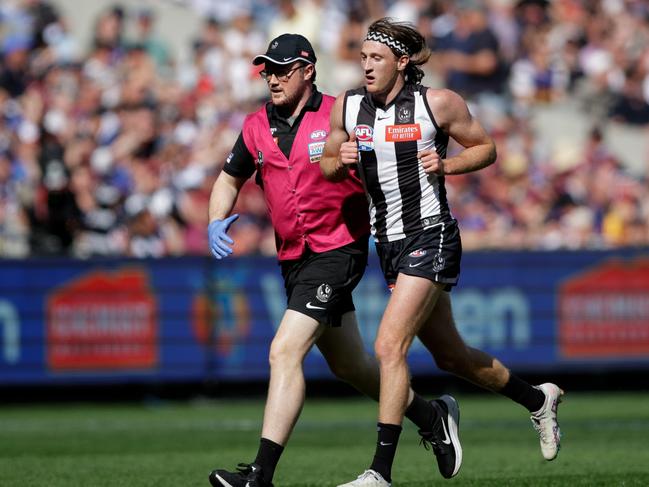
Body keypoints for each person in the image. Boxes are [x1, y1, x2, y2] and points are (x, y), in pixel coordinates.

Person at [206, 33, 462, 487]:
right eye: (267, 69)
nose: (272, 78)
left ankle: (260, 473)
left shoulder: (343, 112)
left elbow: (389, 164)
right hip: (293, 258)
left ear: (308, 70)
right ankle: (431, 414)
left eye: (282, 69)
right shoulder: (254, 126)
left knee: (283, 351)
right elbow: (229, 178)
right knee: (351, 367)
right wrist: (215, 218)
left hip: (338, 249)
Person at [321, 18, 564, 487]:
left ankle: (379, 472)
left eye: (376, 58)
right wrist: (338, 161)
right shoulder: (348, 107)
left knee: (388, 346)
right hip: (387, 243)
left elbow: (487, 148)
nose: (366, 65)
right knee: (451, 356)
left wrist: (448, 163)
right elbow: (330, 162)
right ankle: (538, 400)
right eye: (363, 57)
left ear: (401, 62)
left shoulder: (438, 103)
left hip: (430, 234)